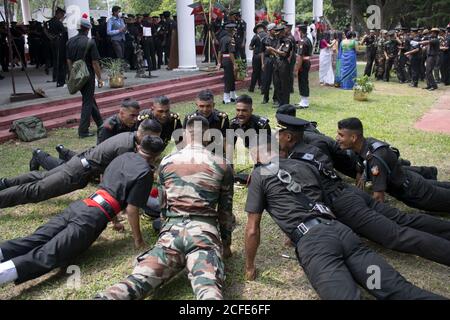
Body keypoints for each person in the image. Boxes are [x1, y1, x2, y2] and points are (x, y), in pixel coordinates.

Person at [244, 129, 444, 300]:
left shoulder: (260, 176)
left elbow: (253, 228)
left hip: (316, 244)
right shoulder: (305, 166)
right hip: (342, 234)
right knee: (397, 289)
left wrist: (249, 266)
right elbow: (315, 200)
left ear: (256, 154)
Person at [276, 113, 450, 267]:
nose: (276, 137)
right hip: (351, 192)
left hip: (344, 205)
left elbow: (312, 197)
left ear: (289, 137)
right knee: (403, 219)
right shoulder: (312, 150)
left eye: (279, 134)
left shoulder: (295, 163)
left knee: (397, 235)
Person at [95, 116, 236, 300]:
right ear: (209, 135)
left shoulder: (166, 162)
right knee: (208, 289)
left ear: (185, 134)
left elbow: (163, 205)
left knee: (137, 280)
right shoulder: (222, 164)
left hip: (171, 235)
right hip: (204, 235)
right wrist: (226, 245)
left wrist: (165, 233)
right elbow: (225, 212)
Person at [0, 136, 165, 287]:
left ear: (138, 145)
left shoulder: (122, 156)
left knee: (35, 239)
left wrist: (114, 221)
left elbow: (106, 182)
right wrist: (138, 240)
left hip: (82, 205)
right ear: (157, 156)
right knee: (49, 255)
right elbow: (132, 208)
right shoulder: (144, 173)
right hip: (91, 219)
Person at [0, 120, 161, 209]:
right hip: (78, 171)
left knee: (41, 176)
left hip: (79, 162)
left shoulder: (129, 137)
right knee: (37, 190)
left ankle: (4, 183)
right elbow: (118, 177)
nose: (154, 142)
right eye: (153, 139)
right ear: (144, 135)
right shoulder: (125, 147)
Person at [336, 118, 450, 213]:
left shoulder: (375, 161)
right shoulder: (364, 144)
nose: (337, 138)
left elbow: (378, 198)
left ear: (353, 138)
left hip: (416, 192)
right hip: (410, 179)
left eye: (341, 135)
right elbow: (360, 163)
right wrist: (360, 174)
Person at [66, 15, 104, 138]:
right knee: (87, 101)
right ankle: (83, 131)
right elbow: (95, 63)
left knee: (89, 99)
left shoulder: (70, 41)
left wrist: (73, 73)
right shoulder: (90, 42)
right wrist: (99, 78)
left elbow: (68, 60)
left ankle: (100, 124)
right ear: (88, 29)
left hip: (77, 75)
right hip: (88, 75)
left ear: (78, 28)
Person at [271, 25, 294, 107]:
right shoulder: (278, 41)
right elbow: (277, 52)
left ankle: (285, 103)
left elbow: (284, 53)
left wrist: (272, 50)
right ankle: (280, 102)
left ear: (282, 32)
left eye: (278, 32)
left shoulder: (287, 41)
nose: (277, 34)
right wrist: (272, 51)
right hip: (277, 62)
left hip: (283, 63)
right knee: (277, 84)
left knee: (284, 84)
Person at [217, 23, 237, 105]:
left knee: (231, 78)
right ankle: (226, 98)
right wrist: (235, 64)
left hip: (224, 59)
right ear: (231, 31)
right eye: (234, 29)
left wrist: (219, 62)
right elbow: (231, 53)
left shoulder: (222, 39)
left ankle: (232, 96)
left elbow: (219, 52)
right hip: (229, 60)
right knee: (228, 79)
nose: (235, 31)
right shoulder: (230, 39)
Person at [48, 7, 67, 87]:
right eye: (62, 14)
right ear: (58, 13)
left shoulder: (51, 21)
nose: (62, 16)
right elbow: (64, 31)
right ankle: (60, 80)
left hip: (53, 42)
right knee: (61, 62)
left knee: (56, 60)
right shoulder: (57, 22)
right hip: (59, 43)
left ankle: (55, 77)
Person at [295, 24, 313, 108]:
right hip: (306, 62)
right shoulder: (308, 39)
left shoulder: (302, 41)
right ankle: (303, 100)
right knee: (303, 80)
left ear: (300, 31)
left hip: (303, 63)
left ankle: (305, 102)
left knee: (303, 81)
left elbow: (300, 56)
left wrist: (297, 68)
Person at [261, 23, 279, 105]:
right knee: (266, 80)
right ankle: (265, 97)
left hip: (276, 59)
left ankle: (275, 98)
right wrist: (262, 63)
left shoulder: (278, 39)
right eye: (274, 29)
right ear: (269, 30)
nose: (275, 31)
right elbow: (262, 52)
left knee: (276, 80)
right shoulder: (264, 39)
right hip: (268, 59)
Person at [249, 23, 266, 93]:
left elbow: (250, 47)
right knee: (263, 72)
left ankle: (252, 88)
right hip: (265, 56)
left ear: (257, 30)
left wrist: (255, 48)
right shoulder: (267, 35)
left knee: (255, 72)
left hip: (257, 56)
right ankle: (262, 87)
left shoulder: (255, 37)